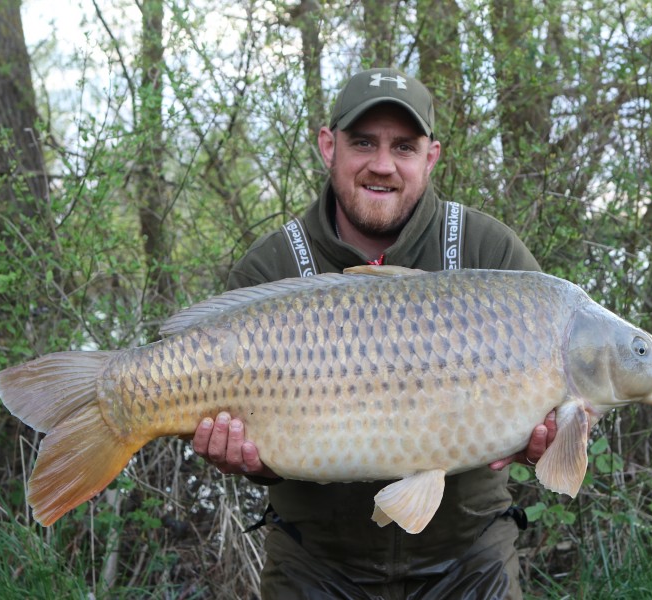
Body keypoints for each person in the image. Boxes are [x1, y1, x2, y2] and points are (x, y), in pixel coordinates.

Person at [191, 67, 558, 599]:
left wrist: (544, 438)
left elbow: (552, 415)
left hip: (468, 556)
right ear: (327, 146)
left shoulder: (490, 254)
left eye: (404, 147)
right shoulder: (271, 266)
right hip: (314, 561)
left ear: (430, 157)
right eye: (363, 142)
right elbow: (256, 451)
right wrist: (245, 461)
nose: (382, 165)